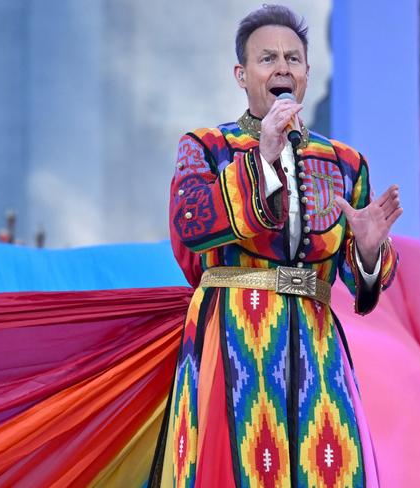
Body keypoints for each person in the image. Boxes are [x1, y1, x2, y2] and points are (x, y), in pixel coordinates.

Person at [150, 5, 402, 487]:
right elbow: (191, 228)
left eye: (293, 58)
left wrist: (369, 252)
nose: (282, 67)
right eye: (267, 59)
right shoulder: (207, 146)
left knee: (328, 467)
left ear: (307, 74)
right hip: (232, 336)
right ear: (242, 76)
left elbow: (363, 292)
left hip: (317, 342)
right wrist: (262, 157)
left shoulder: (345, 162)